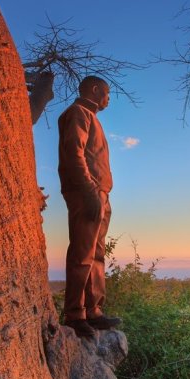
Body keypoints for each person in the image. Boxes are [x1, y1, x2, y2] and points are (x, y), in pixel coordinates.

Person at [58, 76, 122, 339]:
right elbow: (74, 153)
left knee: (96, 254)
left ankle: (93, 311)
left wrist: (102, 195)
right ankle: (75, 314)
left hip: (100, 195)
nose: (108, 99)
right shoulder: (77, 113)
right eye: (107, 94)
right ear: (95, 90)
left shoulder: (92, 118)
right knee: (82, 254)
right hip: (88, 193)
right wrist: (90, 191)